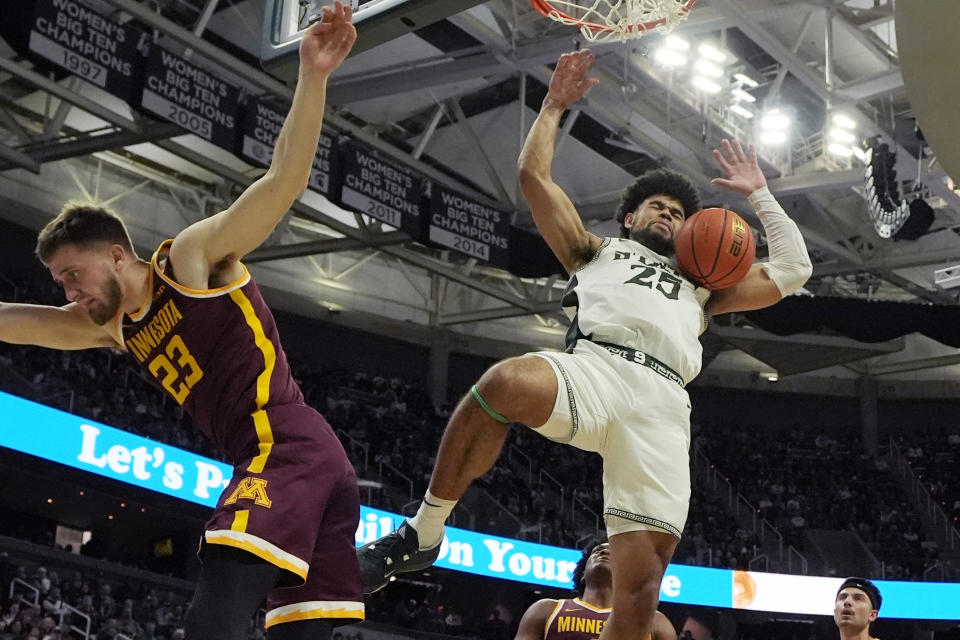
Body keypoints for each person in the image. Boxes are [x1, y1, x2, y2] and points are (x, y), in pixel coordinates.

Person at [357, 48, 811, 640]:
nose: (669, 216)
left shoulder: (706, 287)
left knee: (641, 591)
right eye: (657, 206)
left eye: (678, 213)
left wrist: (759, 194)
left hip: (663, 405)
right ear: (629, 218)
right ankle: (424, 531)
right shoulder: (594, 251)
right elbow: (533, 178)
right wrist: (551, 106)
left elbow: (794, 270)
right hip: (595, 369)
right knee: (504, 384)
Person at [0, 3, 358, 639]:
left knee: (213, 618)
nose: (69, 292)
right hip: (294, 461)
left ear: (116, 253)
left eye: (73, 275)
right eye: (60, 284)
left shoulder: (188, 261)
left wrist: (313, 76)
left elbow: (281, 182)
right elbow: (15, 323)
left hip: (285, 445)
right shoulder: (111, 326)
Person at [514, 542, 676, 640]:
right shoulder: (546, 610)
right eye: (597, 551)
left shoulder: (654, 621)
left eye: (615, 554)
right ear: (583, 573)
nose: (604, 552)